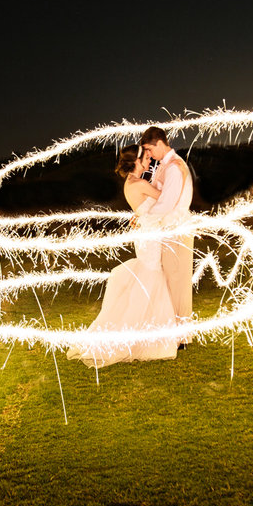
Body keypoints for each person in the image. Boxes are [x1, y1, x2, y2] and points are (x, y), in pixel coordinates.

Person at [67, 145, 178, 367]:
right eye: (146, 159)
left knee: (149, 276)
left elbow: (144, 207)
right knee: (151, 276)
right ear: (136, 162)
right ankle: (137, 336)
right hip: (149, 237)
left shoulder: (131, 184)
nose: (149, 162)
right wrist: (174, 175)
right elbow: (168, 199)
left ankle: (147, 333)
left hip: (146, 234)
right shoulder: (141, 183)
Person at [138, 126, 195, 327]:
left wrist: (145, 219)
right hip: (169, 231)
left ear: (160, 144)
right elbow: (155, 195)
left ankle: (181, 335)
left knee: (177, 282)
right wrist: (140, 213)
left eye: (149, 150)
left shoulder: (174, 167)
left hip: (176, 232)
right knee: (171, 281)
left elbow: (166, 203)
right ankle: (173, 331)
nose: (149, 155)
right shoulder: (165, 165)